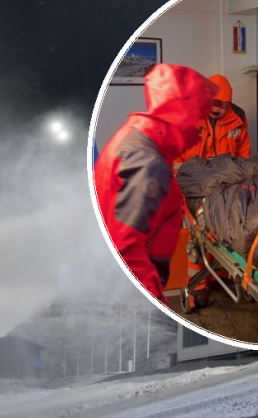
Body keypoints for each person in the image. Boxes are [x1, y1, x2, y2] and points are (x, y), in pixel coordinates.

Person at [94, 63, 217, 303]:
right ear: (182, 114)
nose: (198, 130)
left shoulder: (134, 135)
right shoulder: (148, 164)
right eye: (196, 119)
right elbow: (125, 248)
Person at [175, 73, 249, 308]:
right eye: (216, 104)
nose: (220, 109)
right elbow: (176, 161)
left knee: (230, 232)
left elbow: (244, 156)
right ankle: (198, 289)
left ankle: (227, 277)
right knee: (199, 238)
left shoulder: (238, 117)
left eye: (224, 104)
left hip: (227, 188)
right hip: (195, 189)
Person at [176, 74, 250, 164]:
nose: (222, 112)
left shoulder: (238, 117)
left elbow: (244, 152)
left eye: (226, 106)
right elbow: (175, 153)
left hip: (227, 174)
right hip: (192, 174)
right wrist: (179, 176)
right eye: (218, 106)